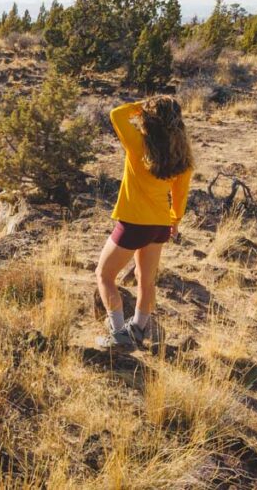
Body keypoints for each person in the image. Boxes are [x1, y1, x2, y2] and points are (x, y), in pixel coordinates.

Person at [95, 96, 193, 349]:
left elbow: (117, 114)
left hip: (134, 224)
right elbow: (180, 196)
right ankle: (138, 328)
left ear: (149, 119)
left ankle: (118, 335)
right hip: (160, 225)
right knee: (145, 280)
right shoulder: (181, 157)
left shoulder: (138, 146)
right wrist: (175, 221)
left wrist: (144, 104)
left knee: (104, 275)